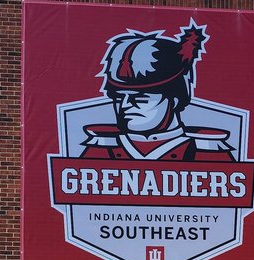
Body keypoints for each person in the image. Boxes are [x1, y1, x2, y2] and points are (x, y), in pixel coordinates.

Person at [80, 21, 235, 161]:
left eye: (140, 98)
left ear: (174, 100)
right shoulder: (103, 147)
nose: (125, 105)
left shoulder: (207, 150)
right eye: (119, 98)